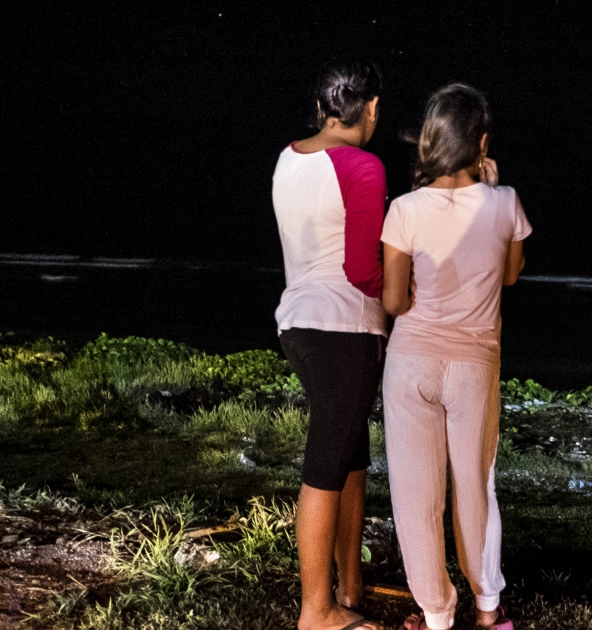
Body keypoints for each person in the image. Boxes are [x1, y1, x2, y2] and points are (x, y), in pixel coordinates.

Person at [380, 83, 526, 630]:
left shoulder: (404, 210)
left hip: (412, 361)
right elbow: (510, 274)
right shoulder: (506, 202)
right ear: (481, 142)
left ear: (431, 140)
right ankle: (488, 611)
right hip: (474, 366)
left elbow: (394, 300)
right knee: (476, 486)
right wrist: (492, 186)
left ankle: (437, 616)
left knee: (416, 496)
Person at [272, 61, 388, 630]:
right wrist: (410, 297)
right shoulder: (362, 166)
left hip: (298, 322)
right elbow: (365, 270)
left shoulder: (289, 157)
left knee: (350, 454)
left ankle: (349, 585)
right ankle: (316, 611)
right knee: (325, 463)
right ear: (370, 110)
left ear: (321, 108)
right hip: (344, 326)